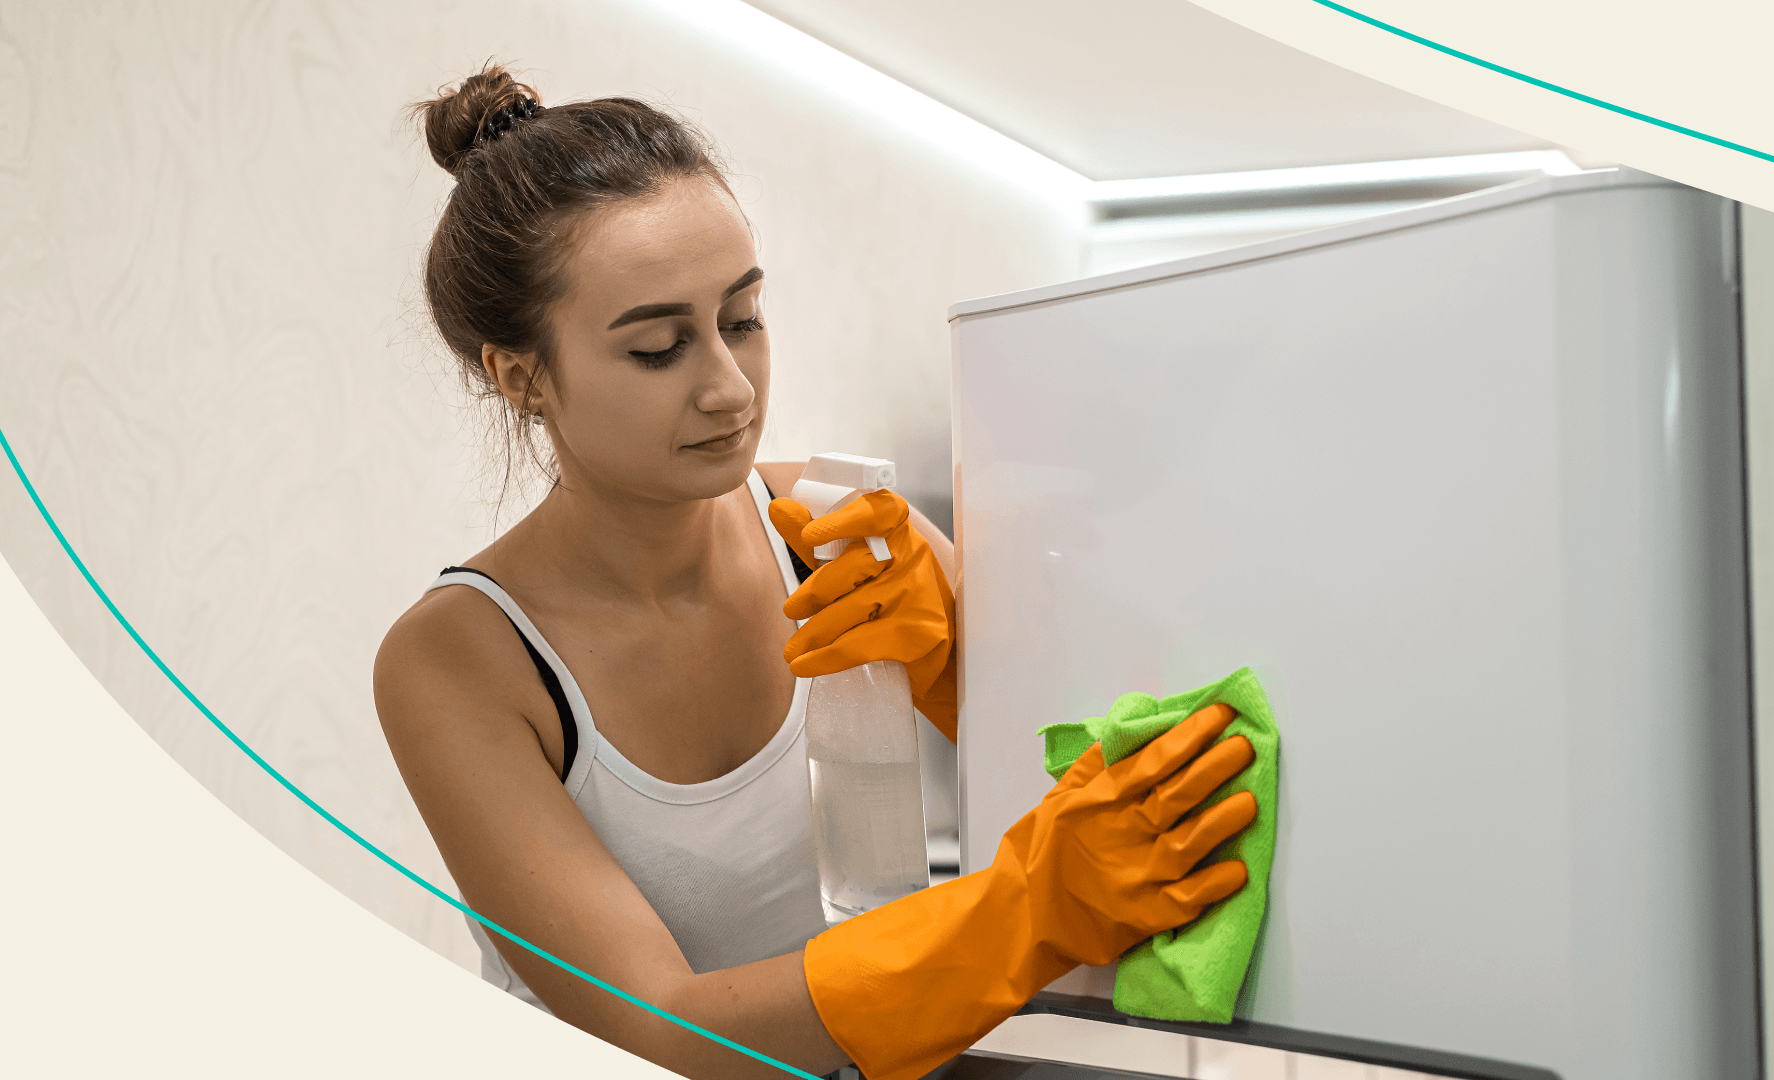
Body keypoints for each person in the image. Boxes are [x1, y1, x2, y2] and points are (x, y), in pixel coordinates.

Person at [372, 66, 1258, 1080]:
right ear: (521, 376)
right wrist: (1024, 914)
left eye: (742, 320)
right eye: (659, 349)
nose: (727, 386)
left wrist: (962, 672)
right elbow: (660, 1030)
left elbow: (1084, 790)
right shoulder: (458, 663)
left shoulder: (838, 532)